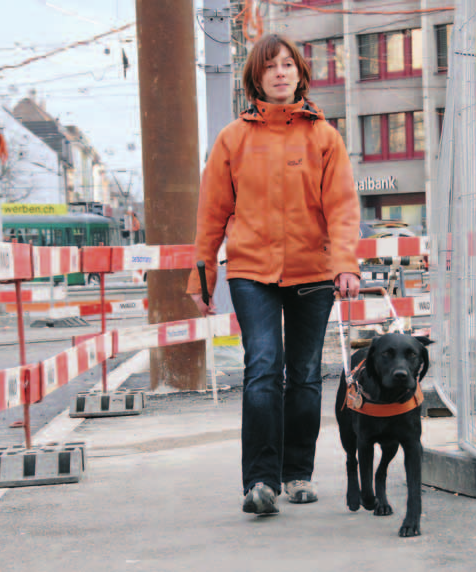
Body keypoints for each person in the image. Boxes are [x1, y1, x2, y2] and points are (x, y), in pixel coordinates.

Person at [187, 34, 361, 516]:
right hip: (251, 271)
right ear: (256, 77)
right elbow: (211, 214)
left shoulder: (324, 137)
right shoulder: (233, 139)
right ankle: (260, 482)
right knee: (263, 367)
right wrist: (202, 282)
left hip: (313, 269)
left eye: (288, 65)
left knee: (305, 374)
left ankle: (297, 473)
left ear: (300, 74)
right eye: (271, 67)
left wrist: (346, 262)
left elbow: (343, 208)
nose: (281, 72)